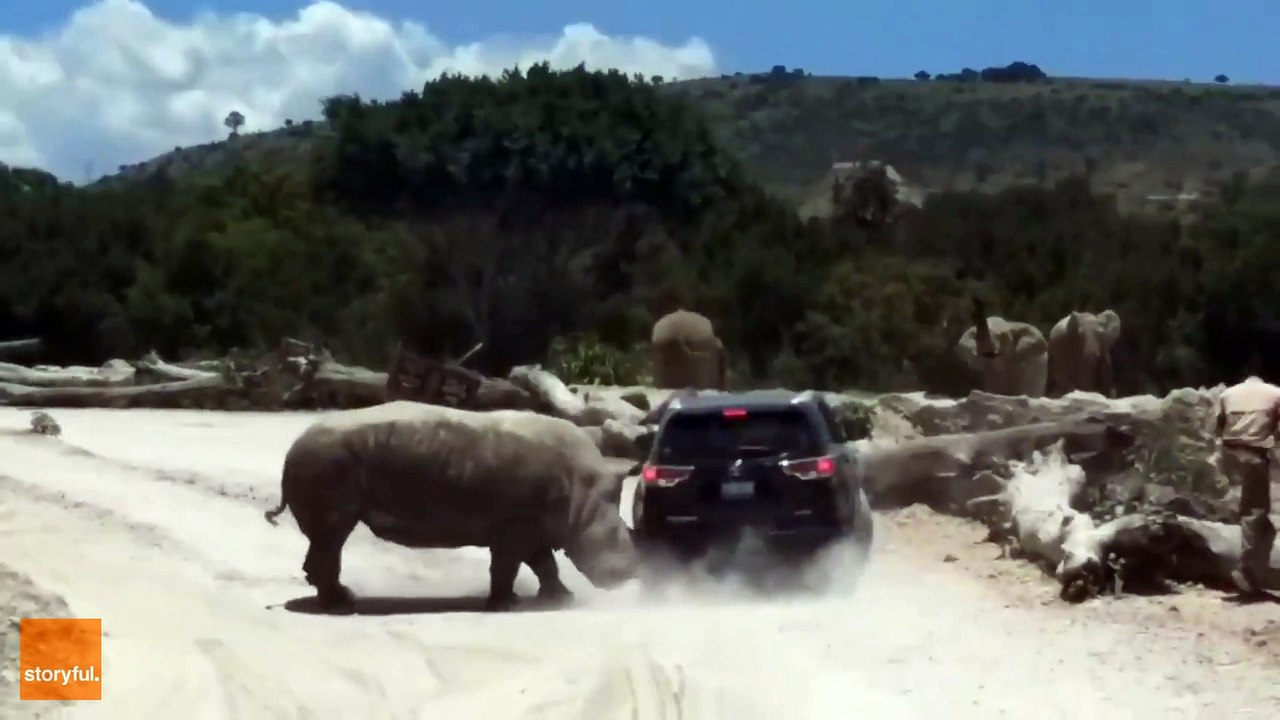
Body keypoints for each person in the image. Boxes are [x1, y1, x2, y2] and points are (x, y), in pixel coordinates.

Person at [1212, 375, 1280, 596]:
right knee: (1255, 513)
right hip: (1253, 455)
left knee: (1262, 525)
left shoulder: (1227, 393)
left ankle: (1252, 578)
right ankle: (1245, 570)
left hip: (1227, 453)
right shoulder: (1275, 394)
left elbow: (1217, 427)